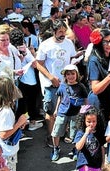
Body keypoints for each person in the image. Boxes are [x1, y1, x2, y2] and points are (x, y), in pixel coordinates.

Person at [36, 19, 82, 147]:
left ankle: (62, 133)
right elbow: (38, 64)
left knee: (66, 108)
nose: (63, 34)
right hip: (51, 84)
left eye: (64, 31)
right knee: (51, 112)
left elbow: (71, 58)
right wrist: (51, 77)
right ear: (53, 31)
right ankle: (52, 137)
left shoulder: (68, 43)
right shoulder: (45, 45)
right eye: (60, 31)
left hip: (66, 83)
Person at [0, 77, 28, 171]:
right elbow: (4, 134)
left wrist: (19, 124)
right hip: (7, 150)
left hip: (4, 149)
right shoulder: (6, 111)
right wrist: (19, 123)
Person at [50, 64, 88, 161]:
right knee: (56, 132)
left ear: (77, 74)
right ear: (65, 76)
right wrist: (56, 109)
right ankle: (56, 148)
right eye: (68, 74)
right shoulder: (62, 85)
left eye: (72, 74)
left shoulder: (81, 86)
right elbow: (60, 97)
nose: (70, 76)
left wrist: (84, 112)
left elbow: (85, 100)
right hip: (62, 112)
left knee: (75, 133)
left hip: (75, 113)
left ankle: (76, 149)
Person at [9, 28, 43, 131]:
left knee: (21, 104)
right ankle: (31, 122)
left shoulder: (10, 48)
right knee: (30, 103)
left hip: (19, 80)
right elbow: (34, 63)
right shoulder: (23, 48)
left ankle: (19, 125)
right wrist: (32, 53)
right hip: (29, 80)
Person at [87, 29, 110, 122]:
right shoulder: (94, 61)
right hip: (99, 103)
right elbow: (95, 89)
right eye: (105, 42)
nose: (109, 45)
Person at [74, 105, 106, 171]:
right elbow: (78, 147)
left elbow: (102, 147)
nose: (91, 124)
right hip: (84, 161)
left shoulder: (99, 132)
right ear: (83, 121)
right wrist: (86, 133)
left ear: (97, 121)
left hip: (96, 161)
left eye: (94, 121)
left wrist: (103, 162)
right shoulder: (81, 132)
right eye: (88, 121)